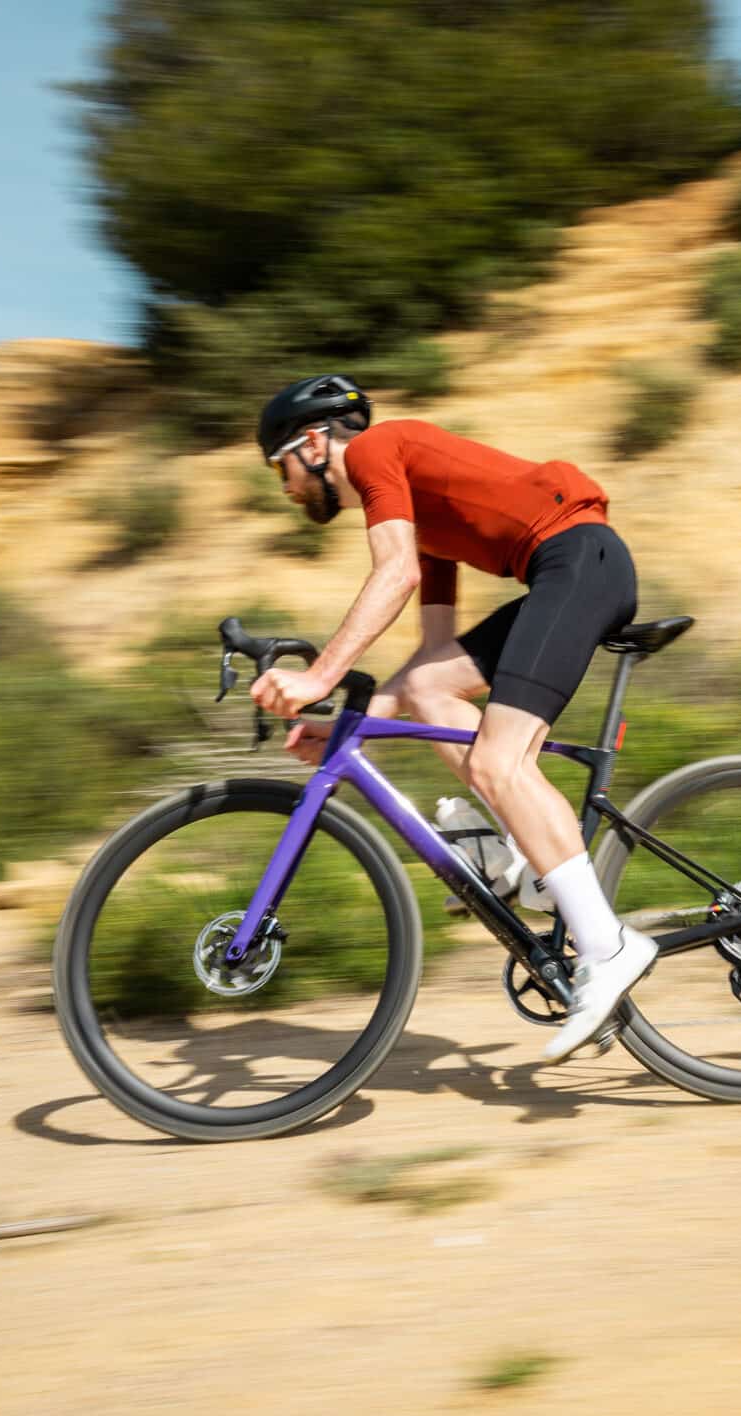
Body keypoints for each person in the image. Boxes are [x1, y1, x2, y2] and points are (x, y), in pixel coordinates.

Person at [248, 373, 653, 1063]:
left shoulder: (376, 450)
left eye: (279, 467)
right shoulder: (414, 507)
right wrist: (344, 728)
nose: (285, 489)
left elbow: (393, 574)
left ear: (313, 444)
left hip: (579, 560)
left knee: (501, 761)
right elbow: (430, 658)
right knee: (437, 687)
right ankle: (526, 849)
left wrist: (320, 678)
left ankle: (608, 947)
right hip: (568, 568)